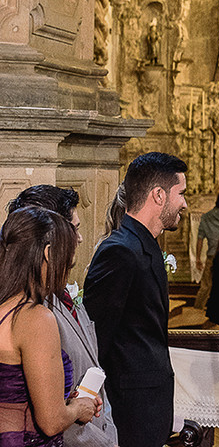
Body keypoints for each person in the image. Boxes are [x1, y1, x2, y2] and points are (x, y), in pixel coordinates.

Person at [84, 152, 188, 447]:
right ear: (158, 195)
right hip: (129, 405)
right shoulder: (120, 251)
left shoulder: (144, 245)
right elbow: (96, 333)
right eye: (180, 193)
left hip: (147, 402)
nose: (184, 203)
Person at [5, 188, 114, 447]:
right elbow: (51, 420)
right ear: (48, 250)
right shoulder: (35, 315)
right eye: (71, 232)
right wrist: (77, 408)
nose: (78, 239)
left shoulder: (8, 305)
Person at [194, 188, 219, 310]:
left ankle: (197, 310)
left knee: (206, 285)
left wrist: (197, 258)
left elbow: (200, 239)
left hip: (212, 254)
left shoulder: (206, 216)